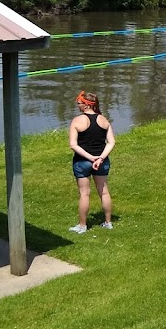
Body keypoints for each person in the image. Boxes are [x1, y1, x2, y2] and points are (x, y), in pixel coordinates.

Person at [68, 91, 115, 233]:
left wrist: (91, 158)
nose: (78, 106)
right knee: (104, 192)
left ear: (87, 105)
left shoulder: (77, 121)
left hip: (82, 162)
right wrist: (100, 158)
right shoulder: (104, 120)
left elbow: (73, 145)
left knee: (84, 194)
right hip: (102, 162)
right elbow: (111, 142)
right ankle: (108, 222)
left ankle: (82, 226)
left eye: (79, 104)